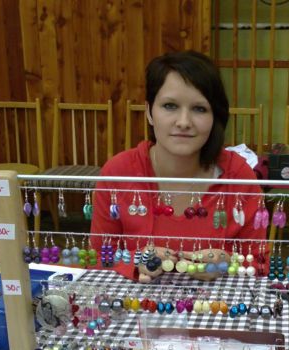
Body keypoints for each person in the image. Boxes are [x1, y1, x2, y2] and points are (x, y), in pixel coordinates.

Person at [90, 50, 266, 283]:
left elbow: (260, 264)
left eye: (199, 109)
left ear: (215, 117)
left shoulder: (237, 177)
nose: (183, 122)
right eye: (170, 106)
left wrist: (228, 263)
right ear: (149, 112)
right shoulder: (118, 172)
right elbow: (98, 258)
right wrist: (136, 260)